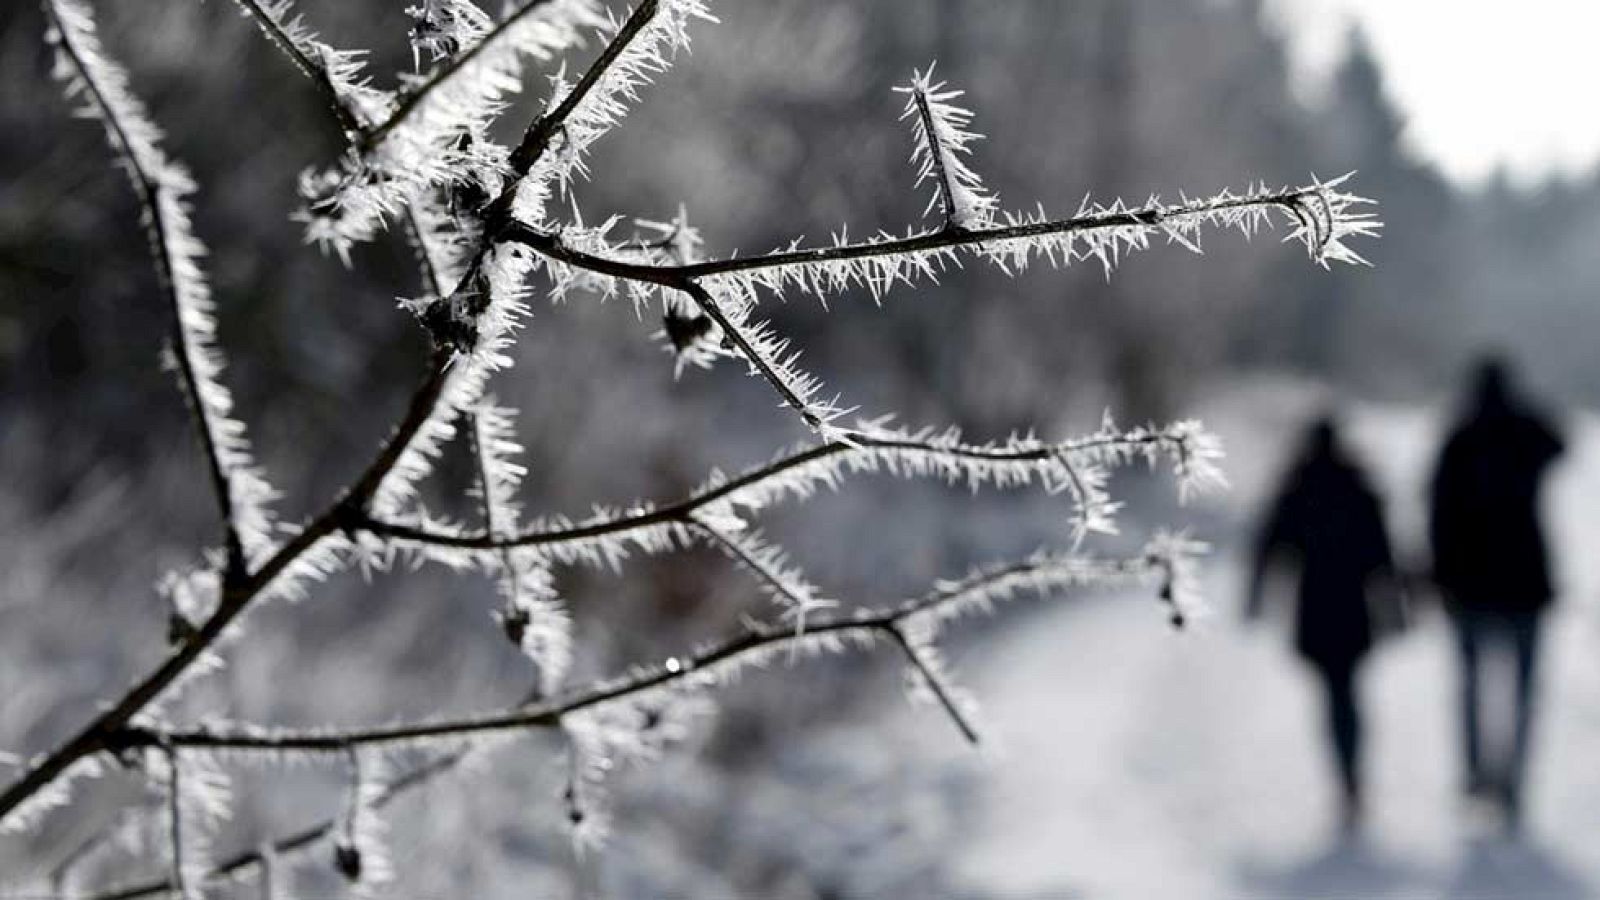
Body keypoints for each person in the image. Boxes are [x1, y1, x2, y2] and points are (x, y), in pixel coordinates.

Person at [1248, 415, 1402, 831]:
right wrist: (1394, 608)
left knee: (1335, 696)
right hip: (1352, 608)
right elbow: (1383, 555)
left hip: (1316, 607)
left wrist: (1255, 599)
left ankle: (1347, 777)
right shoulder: (1359, 487)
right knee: (1346, 693)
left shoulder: (1297, 489)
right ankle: (1351, 777)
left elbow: (1268, 548)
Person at [1429, 356, 1564, 826]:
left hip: (1470, 587)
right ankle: (1513, 785)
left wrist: (1438, 577)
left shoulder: (1460, 439)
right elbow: (1560, 443)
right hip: (1525, 586)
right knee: (1522, 693)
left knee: (1471, 688)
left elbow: (1437, 515)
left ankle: (1476, 776)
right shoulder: (1524, 435)